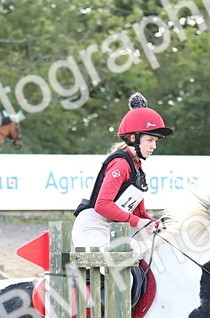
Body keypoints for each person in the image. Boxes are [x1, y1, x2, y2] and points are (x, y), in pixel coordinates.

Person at [72, 92, 172, 251]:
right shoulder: (121, 164)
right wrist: (138, 223)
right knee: (117, 264)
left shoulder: (137, 167)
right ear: (133, 138)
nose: (154, 146)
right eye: (150, 140)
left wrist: (153, 222)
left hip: (110, 229)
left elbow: (140, 213)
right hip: (92, 227)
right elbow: (103, 205)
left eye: (155, 141)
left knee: (144, 255)